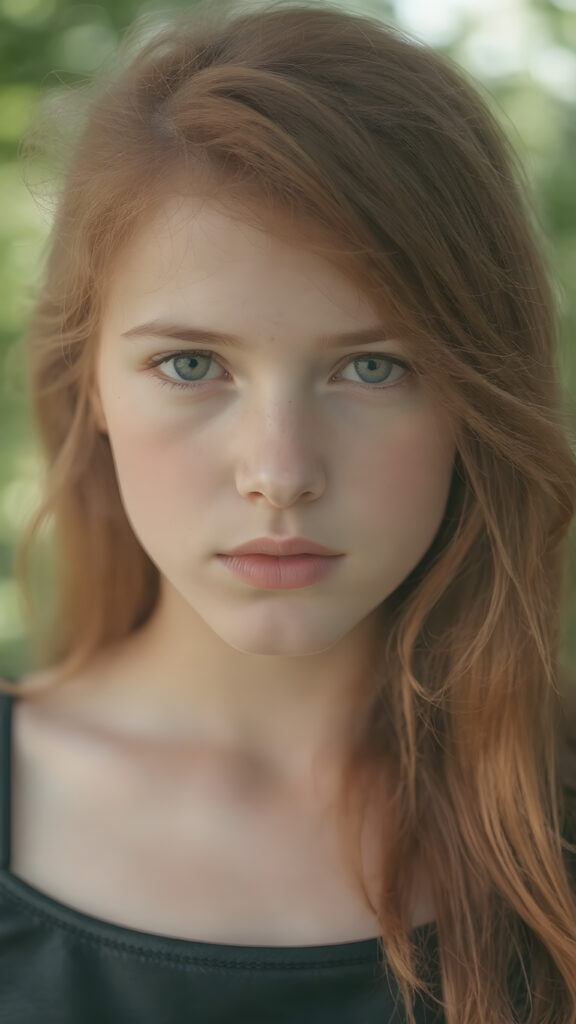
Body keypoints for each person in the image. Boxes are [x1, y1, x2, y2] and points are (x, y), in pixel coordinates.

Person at [1, 0, 575, 1020]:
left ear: (475, 396)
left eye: (372, 366)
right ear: (90, 382)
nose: (280, 470)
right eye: (191, 364)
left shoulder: (551, 832)